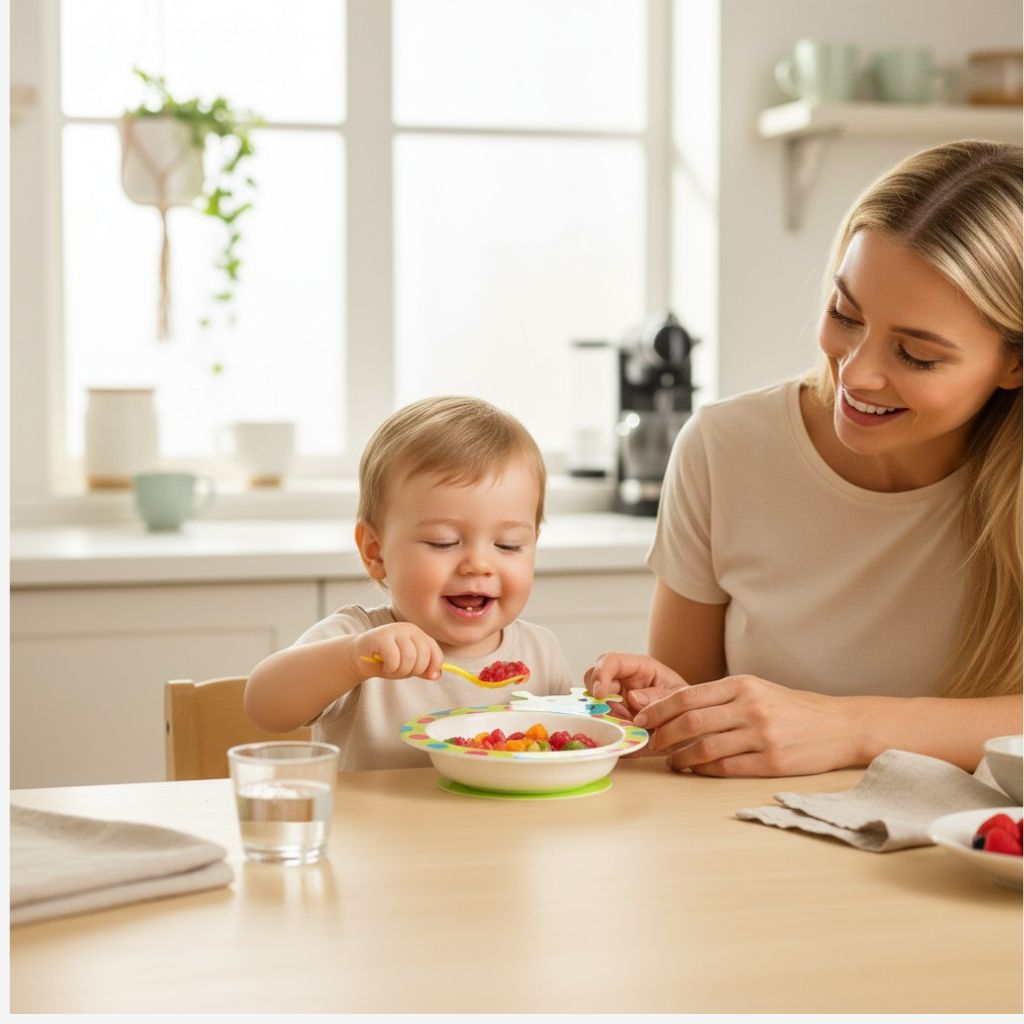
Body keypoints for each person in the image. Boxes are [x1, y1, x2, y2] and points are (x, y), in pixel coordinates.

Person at [585, 139, 1023, 778]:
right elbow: (685, 722)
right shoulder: (724, 449)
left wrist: (848, 729)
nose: (858, 373)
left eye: (917, 355)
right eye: (845, 314)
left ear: (1014, 362)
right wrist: (668, 708)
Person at [245, 396, 573, 770]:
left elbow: (574, 747)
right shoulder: (360, 639)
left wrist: (617, 706)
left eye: (508, 545)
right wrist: (352, 659)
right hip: (373, 812)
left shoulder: (540, 652)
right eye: (443, 542)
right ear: (376, 552)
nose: (479, 565)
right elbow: (264, 706)